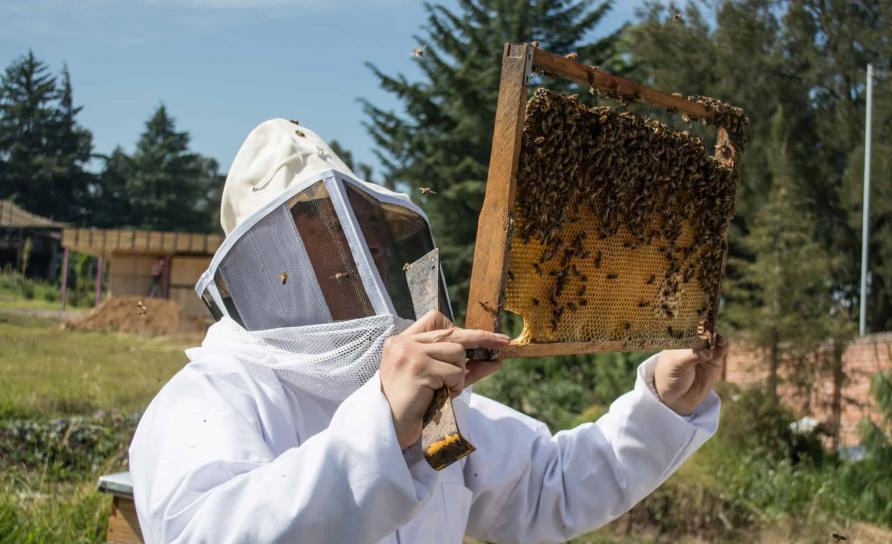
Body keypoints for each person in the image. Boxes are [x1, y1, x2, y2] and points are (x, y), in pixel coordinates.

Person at [129, 119, 727, 543]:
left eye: (365, 223)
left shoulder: (424, 400)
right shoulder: (210, 400)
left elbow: (547, 487)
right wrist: (382, 429)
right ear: (265, 256)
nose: (358, 243)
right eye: (316, 221)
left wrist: (662, 408)